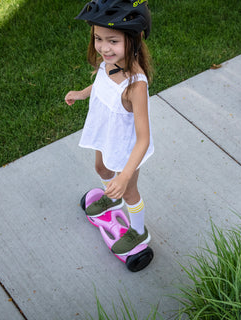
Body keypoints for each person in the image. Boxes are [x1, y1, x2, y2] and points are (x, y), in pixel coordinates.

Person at [65, 0, 154, 256]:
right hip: (105, 133)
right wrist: (83, 93)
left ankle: (138, 231)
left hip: (128, 147)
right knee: (101, 167)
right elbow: (101, 84)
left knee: (129, 191)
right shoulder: (108, 63)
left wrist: (125, 175)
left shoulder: (136, 85)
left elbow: (143, 139)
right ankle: (111, 197)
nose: (103, 48)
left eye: (112, 41)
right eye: (98, 38)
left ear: (134, 38)